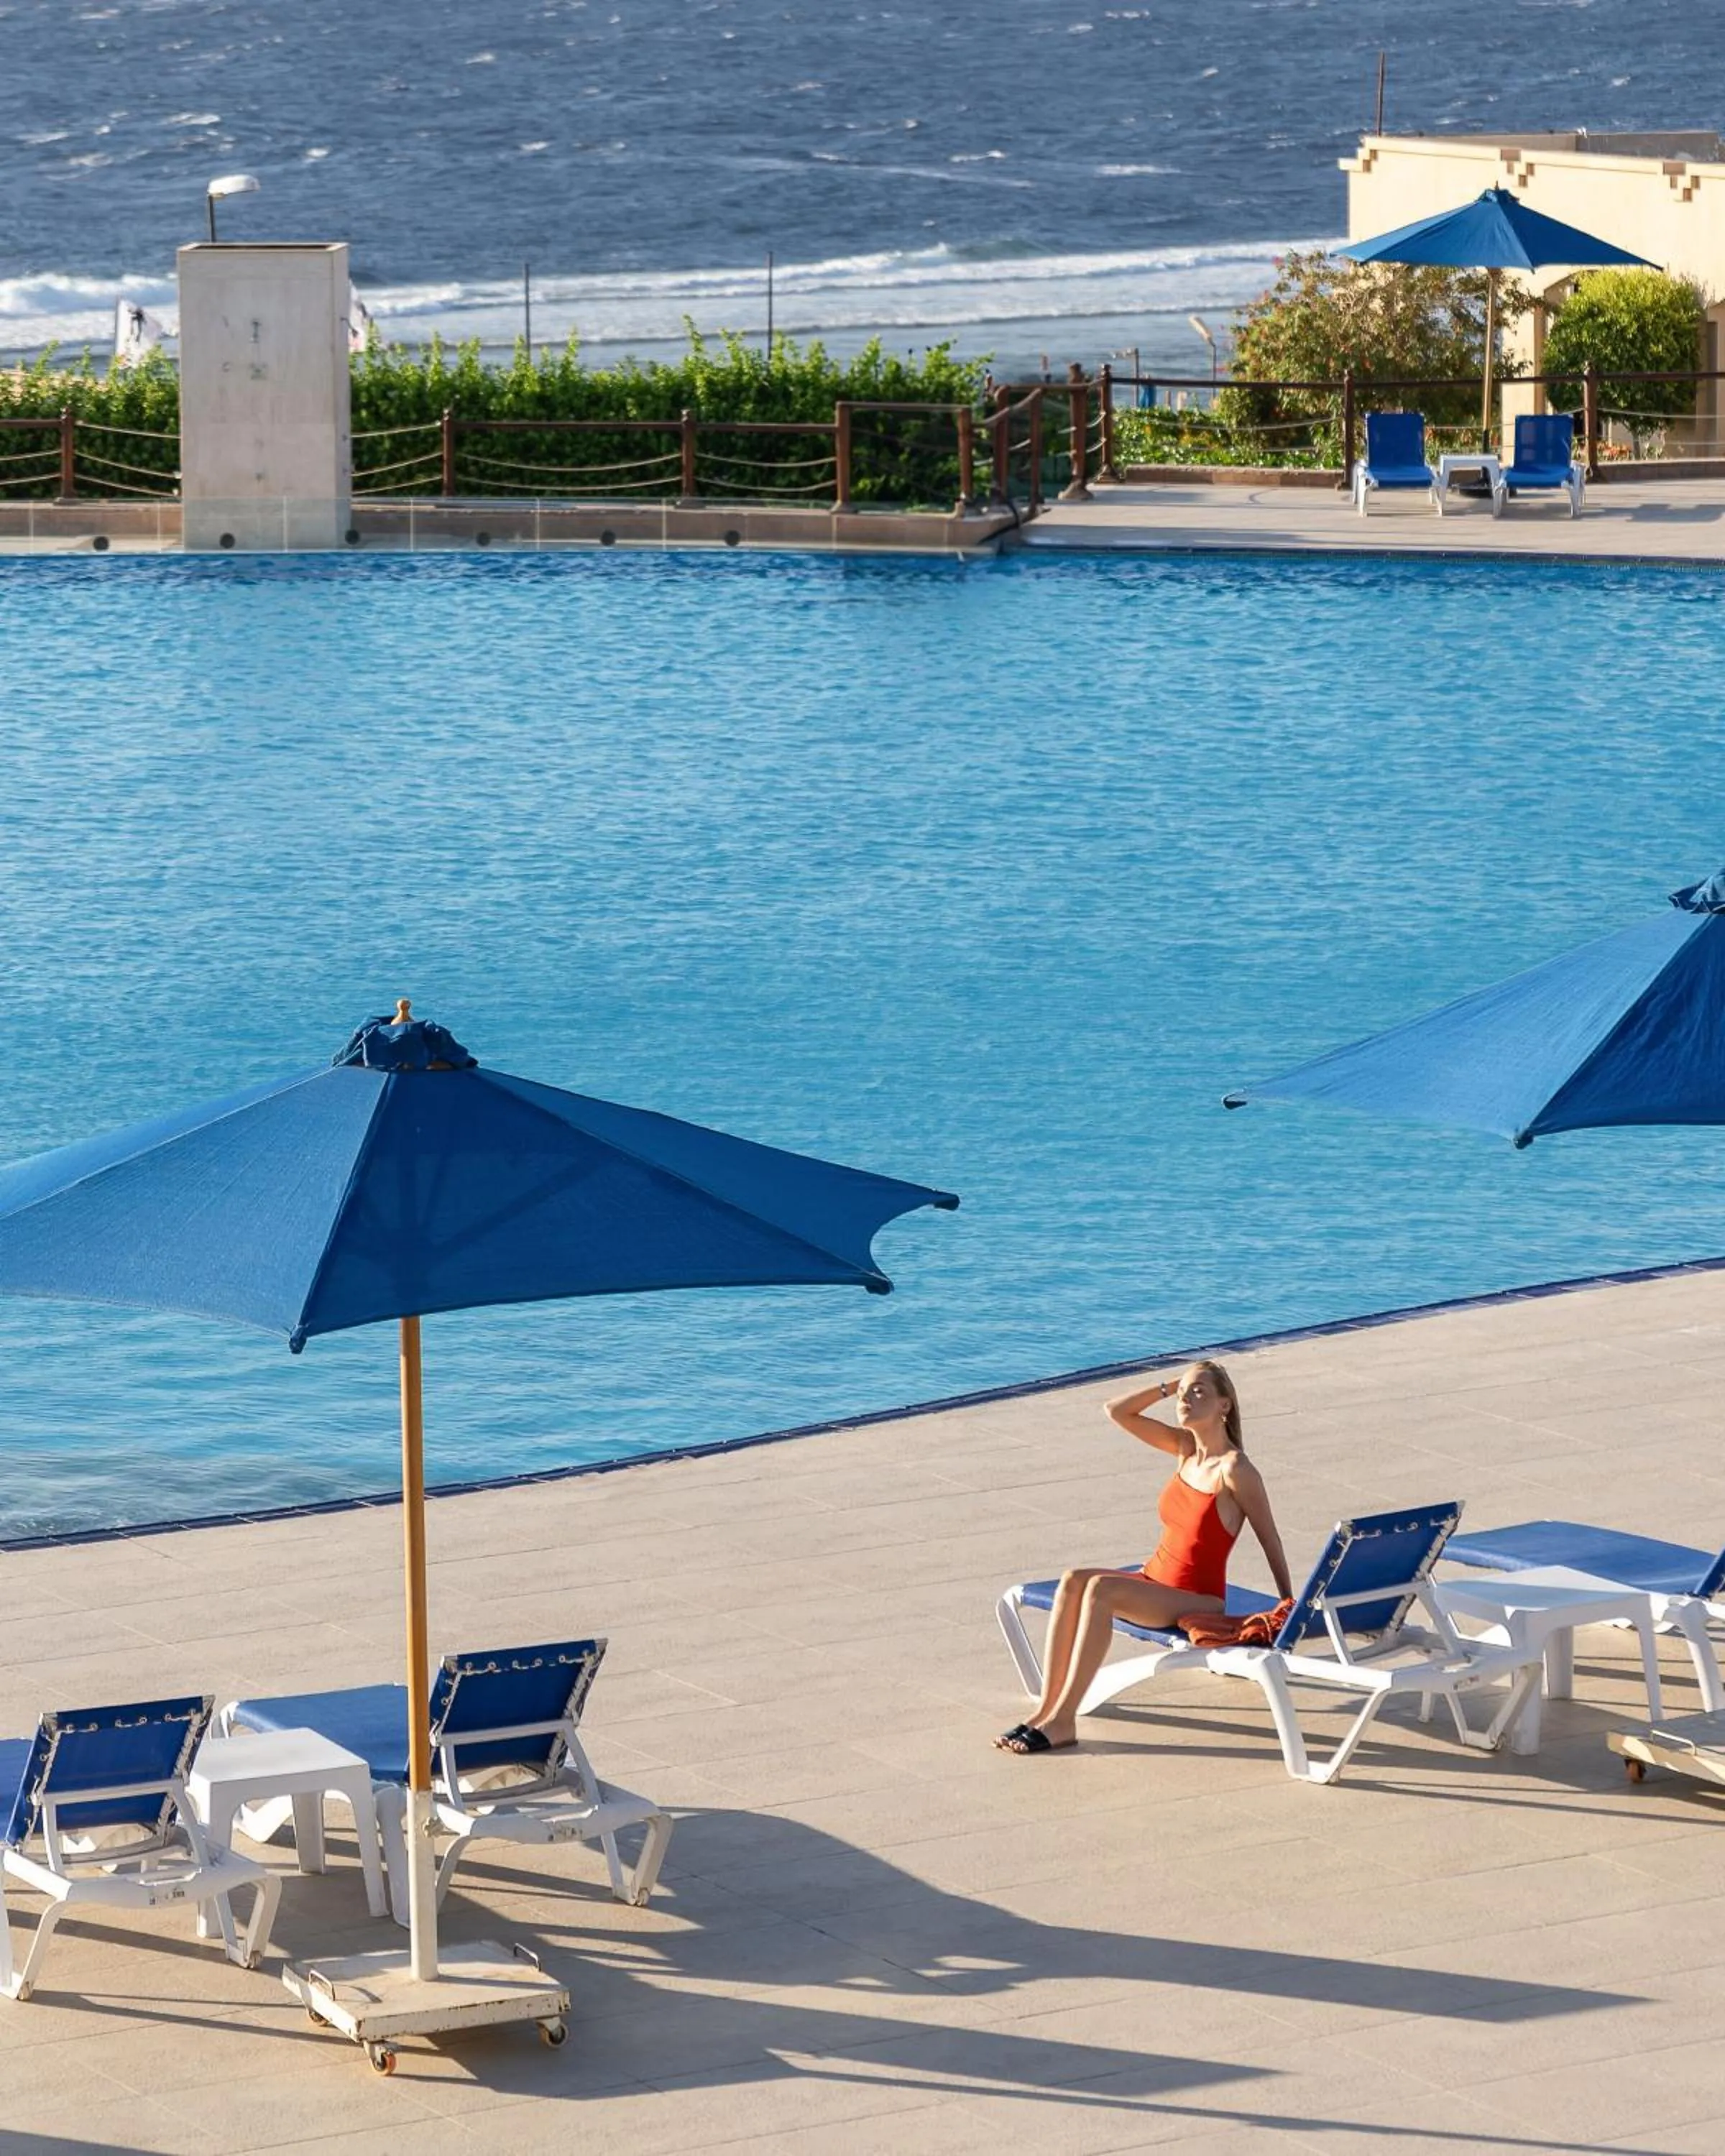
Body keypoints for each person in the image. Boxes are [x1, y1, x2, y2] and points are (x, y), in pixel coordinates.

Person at [996, 1360, 1294, 1755]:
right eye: (1184, 1393)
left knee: (1101, 1590)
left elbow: (1268, 1535)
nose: (1187, 1399)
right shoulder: (1186, 1450)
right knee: (1073, 1580)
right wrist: (1173, 1385)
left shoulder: (1235, 1469)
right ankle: (1046, 1711)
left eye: (1199, 1392)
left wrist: (1289, 1602)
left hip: (1196, 1595)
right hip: (1154, 1579)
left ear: (1226, 1406)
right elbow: (1116, 1411)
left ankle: (1065, 1719)